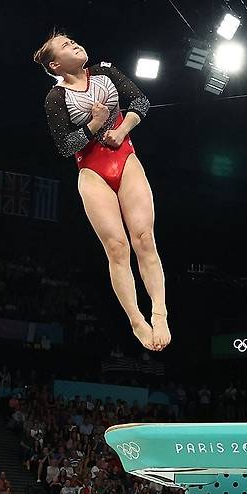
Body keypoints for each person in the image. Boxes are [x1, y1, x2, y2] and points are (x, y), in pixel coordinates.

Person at [33, 30, 171, 353]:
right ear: (55, 65)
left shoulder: (105, 72)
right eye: (65, 45)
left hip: (125, 157)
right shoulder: (56, 97)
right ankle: (136, 320)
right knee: (118, 248)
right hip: (92, 171)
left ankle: (159, 312)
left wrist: (121, 130)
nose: (74, 44)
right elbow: (65, 146)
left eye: (73, 40)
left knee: (144, 238)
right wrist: (94, 124)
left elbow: (140, 101)